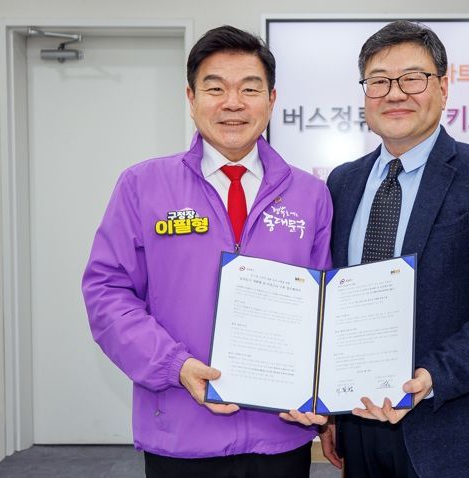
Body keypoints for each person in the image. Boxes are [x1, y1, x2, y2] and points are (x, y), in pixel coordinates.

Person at [81, 25, 332, 478]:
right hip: (181, 431)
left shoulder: (310, 195)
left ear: (272, 99)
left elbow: (324, 308)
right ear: (191, 98)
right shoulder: (142, 186)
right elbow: (107, 294)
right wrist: (175, 366)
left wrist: (321, 390)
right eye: (215, 88)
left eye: (249, 88)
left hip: (280, 433)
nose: (233, 103)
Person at [319, 20, 469, 477]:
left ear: (443, 87)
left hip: (450, 422)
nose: (395, 93)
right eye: (379, 81)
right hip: (359, 422)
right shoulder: (342, 182)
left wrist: (433, 377)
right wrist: (331, 412)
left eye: (412, 78)